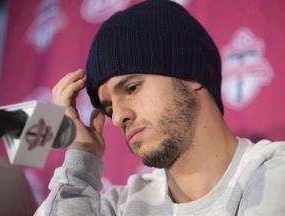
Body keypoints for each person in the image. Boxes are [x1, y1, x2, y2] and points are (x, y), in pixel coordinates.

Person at [35, 0, 285, 215]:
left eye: (132, 88)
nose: (119, 117)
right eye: (109, 108)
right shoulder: (122, 205)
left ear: (190, 74)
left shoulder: (273, 175)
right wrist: (81, 157)